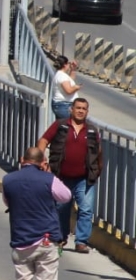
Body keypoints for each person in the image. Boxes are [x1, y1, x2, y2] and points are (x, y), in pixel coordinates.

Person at [2, 147, 71, 280]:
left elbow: (7, 202)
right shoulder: (49, 179)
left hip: (21, 240)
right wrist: (48, 174)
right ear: (43, 163)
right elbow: (66, 196)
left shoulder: (8, 180)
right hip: (46, 239)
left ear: (22, 160)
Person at [37, 98, 102, 254]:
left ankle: (81, 242)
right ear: (71, 109)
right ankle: (60, 237)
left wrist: (98, 170)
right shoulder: (60, 126)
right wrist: (41, 160)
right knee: (61, 209)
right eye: (78, 108)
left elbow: (99, 153)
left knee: (86, 210)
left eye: (84, 109)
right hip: (61, 177)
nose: (80, 111)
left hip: (84, 178)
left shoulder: (92, 130)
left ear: (87, 111)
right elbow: (44, 140)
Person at [50, 56, 80, 120]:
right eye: (68, 63)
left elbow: (70, 81)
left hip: (61, 105)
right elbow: (68, 90)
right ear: (65, 65)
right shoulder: (62, 76)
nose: (69, 65)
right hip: (64, 106)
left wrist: (73, 69)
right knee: (68, 126)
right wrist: (76, 87)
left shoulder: (60, 75)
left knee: (62, 126)